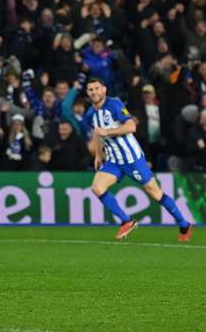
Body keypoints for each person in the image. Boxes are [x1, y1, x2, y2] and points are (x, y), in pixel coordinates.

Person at [83, 78, 193, 242]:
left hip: (132, 158)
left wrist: (108, 132)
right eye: (90, 89)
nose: (94, 92)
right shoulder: (90, 114)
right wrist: (98, 154)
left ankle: (184, 224)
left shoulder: (114, 104)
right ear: (87, 93)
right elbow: (97, 134)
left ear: (104, 90)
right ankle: (127, 221)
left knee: (155, 193)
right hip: (114, 160)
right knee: (97, 187)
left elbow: (131, 126)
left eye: (97, 88)